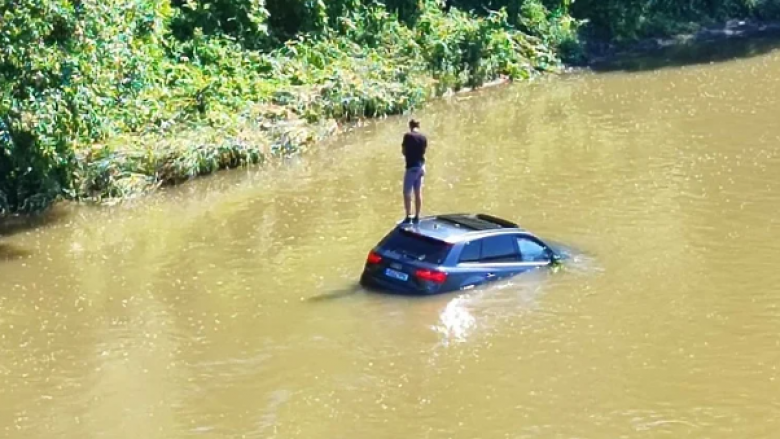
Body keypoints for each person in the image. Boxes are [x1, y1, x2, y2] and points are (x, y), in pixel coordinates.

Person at [401, 118, 428, 224]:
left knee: (407, 192)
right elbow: (424, 151)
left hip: (411, 167)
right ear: (418, 126)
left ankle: (408, 216)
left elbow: (403, 151)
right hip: (421, 167)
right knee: (418, 192)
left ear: (410, 126)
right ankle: (417, 216)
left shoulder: (408, 136)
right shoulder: (423, 138)